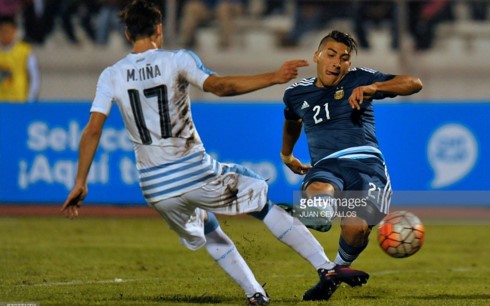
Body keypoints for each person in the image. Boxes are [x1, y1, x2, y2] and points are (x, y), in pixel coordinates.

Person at [61, 1, 369, 305]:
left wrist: (80, 182)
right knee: (261, 201)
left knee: (209, 230)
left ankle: (255, 294)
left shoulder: (111, 75)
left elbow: (91, 131)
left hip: (155, 188)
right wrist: (273, 77)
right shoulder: (177, 60)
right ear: (159, 29)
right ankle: (326, 267)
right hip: (192, 170)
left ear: (128, 34)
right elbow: (220, 87)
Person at [279, 30, 423, 301]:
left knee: (356, 227)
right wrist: (287, 155)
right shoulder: (296, 94)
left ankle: (334, 273)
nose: (337, 62)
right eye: (331, 55)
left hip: (366, 165)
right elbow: (292, 122)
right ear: (317, 57)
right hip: (327, 164)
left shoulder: (361, 78)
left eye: (344, 58)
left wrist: (374, 88)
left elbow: (414, 83)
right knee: (319, 185)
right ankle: (317, 214)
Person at [0, 14, 40, 102]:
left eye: (8, 31)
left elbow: (34, 77)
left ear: (14, 31)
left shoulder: (25, 51)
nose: (5, 34)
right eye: (2, 31)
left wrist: (30, 101)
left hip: (19, 102)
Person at [179, 0, 245, 49]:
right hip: (211, 7)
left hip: (232, 5)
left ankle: (225, 42)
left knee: (223, 7)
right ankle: (187, 39)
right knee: (192, 7)